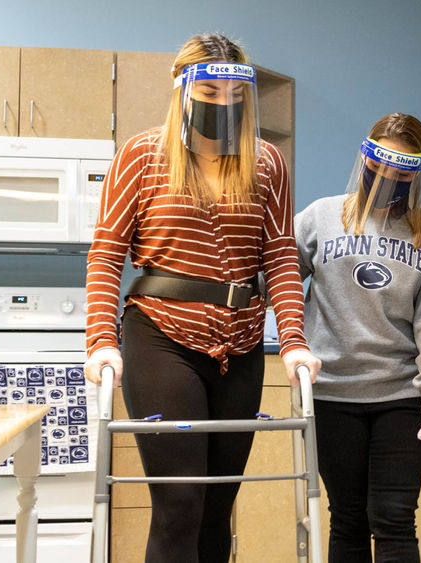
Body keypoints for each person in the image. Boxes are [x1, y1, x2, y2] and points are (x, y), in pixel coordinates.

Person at [83, 33, 321, 563]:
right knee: (180, 505)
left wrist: (294, 341)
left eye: (235, 94)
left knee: (218, 507)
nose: (223, 103)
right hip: (161, 335)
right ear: (182, 90)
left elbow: (280, 255)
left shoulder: (266, 163)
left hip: (240, 344)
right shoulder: (142, 156)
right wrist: (100, 340)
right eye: (209, 91)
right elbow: (106, 253)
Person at [295, 113, 421, 562]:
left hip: (402, 393)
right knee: (347, 517)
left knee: (394, 519)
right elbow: (280, 280)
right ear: (364, 161)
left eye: (402, 173)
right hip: (332, 393)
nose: (388, 180)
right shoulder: (320, 218)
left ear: (417, 175)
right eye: (379, 169)